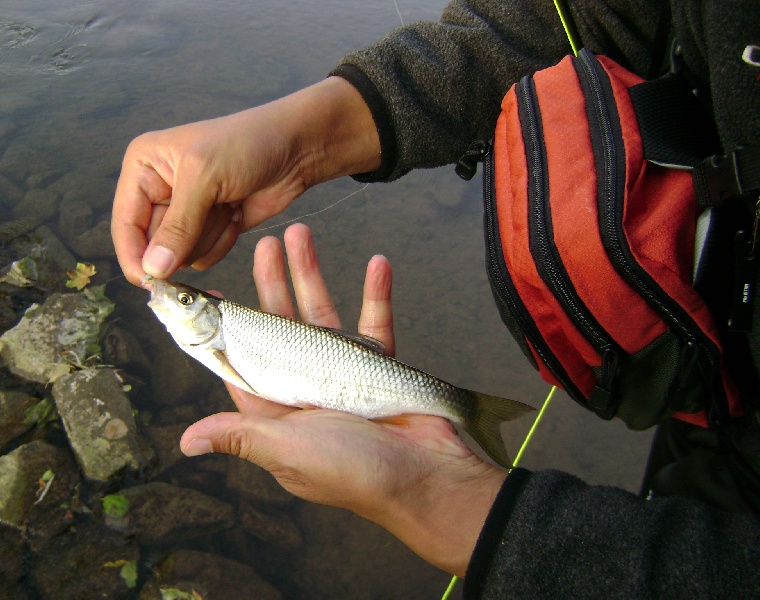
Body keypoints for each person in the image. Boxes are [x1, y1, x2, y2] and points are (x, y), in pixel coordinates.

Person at [111, 0, 760, 596]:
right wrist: (309, 136)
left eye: (186, 301)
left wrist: (447, 504)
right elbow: (583, 15)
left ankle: (467, 414)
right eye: (188, 301)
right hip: (711, 383)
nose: (175, 300)